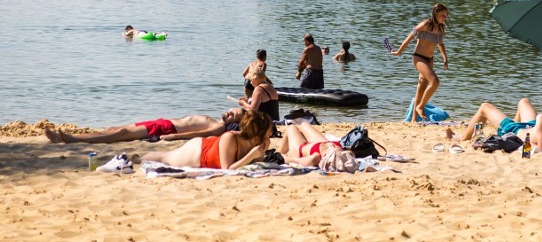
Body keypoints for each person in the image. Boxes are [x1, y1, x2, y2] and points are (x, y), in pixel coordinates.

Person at [142, 110, 273, 170]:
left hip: (212, 146)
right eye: (268, 133)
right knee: (164, 158)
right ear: (257, 135)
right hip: (198, 152)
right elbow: (227, 169)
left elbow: (254, 164)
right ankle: (137, 159)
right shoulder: (230, 137)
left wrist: (260, 153)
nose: (270, 135)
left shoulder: (255, 143)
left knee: (164, 157)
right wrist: (252, 155)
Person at [44, 108, 246, 144]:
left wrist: (172, 138)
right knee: (115, 130)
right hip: (162, 123)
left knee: (120, 133)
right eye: (232, 110)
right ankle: (69, 136)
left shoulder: (218, 128)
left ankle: (70, 139)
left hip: (165, 130)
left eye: (233, 114)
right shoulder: (217, 121)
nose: (230, 112)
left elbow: (196, 134)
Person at [390, 3, 450, 122]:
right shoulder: (425, 24)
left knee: (421, 89)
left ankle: (413, 120)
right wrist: (399, 51)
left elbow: (440, 43)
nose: (445, 18)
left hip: (430, 60)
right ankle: (420, 106)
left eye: (446, 15)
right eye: (443, 15)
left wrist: (445, 58)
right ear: (436, 14)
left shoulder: (441, 27)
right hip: (419, 58)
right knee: (435, 82)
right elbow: (410, 37)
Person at [460, 93, 542, 151]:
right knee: (524, 101)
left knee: (484, 107)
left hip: (515, 131)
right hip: (533, 127)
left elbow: (541, 148)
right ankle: (514, 120)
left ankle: (462, 139)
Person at [277, 121, 350, 167]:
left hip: (299, 150)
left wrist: (281, 157)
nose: (334, 146)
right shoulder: (340, 150)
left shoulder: (316, 157)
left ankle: (276, 154)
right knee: (304, 124)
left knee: (292, 128)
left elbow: (297, 161)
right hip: (319, 144)